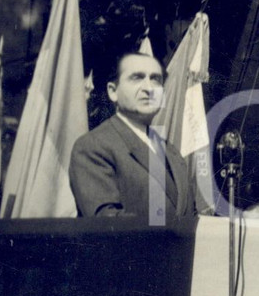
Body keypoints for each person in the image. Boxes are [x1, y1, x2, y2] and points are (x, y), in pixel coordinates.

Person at [70, 51, 197, 220]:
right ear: (113, 92)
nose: (148, 88)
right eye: (137, 78)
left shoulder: (172, 152)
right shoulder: (93, 147)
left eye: (155, 79)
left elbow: (192, 218)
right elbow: (106, 222)